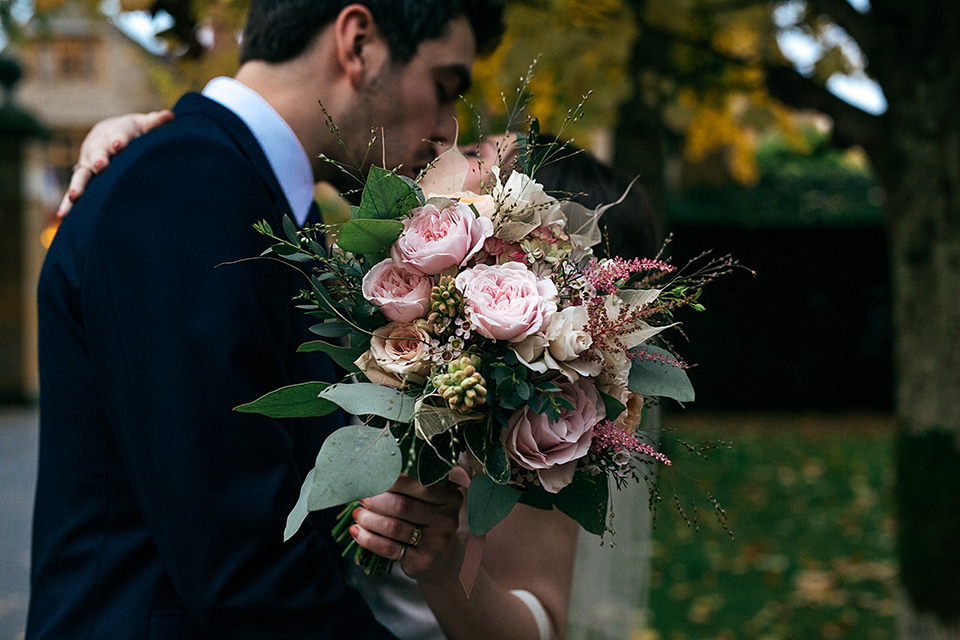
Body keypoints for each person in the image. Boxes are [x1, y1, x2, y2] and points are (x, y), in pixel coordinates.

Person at [26, 2, 565, 639]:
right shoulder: (182, 186)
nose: (448, 129)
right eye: (444, 87)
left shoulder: (253, 199)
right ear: (358, 42)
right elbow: (240, 561)